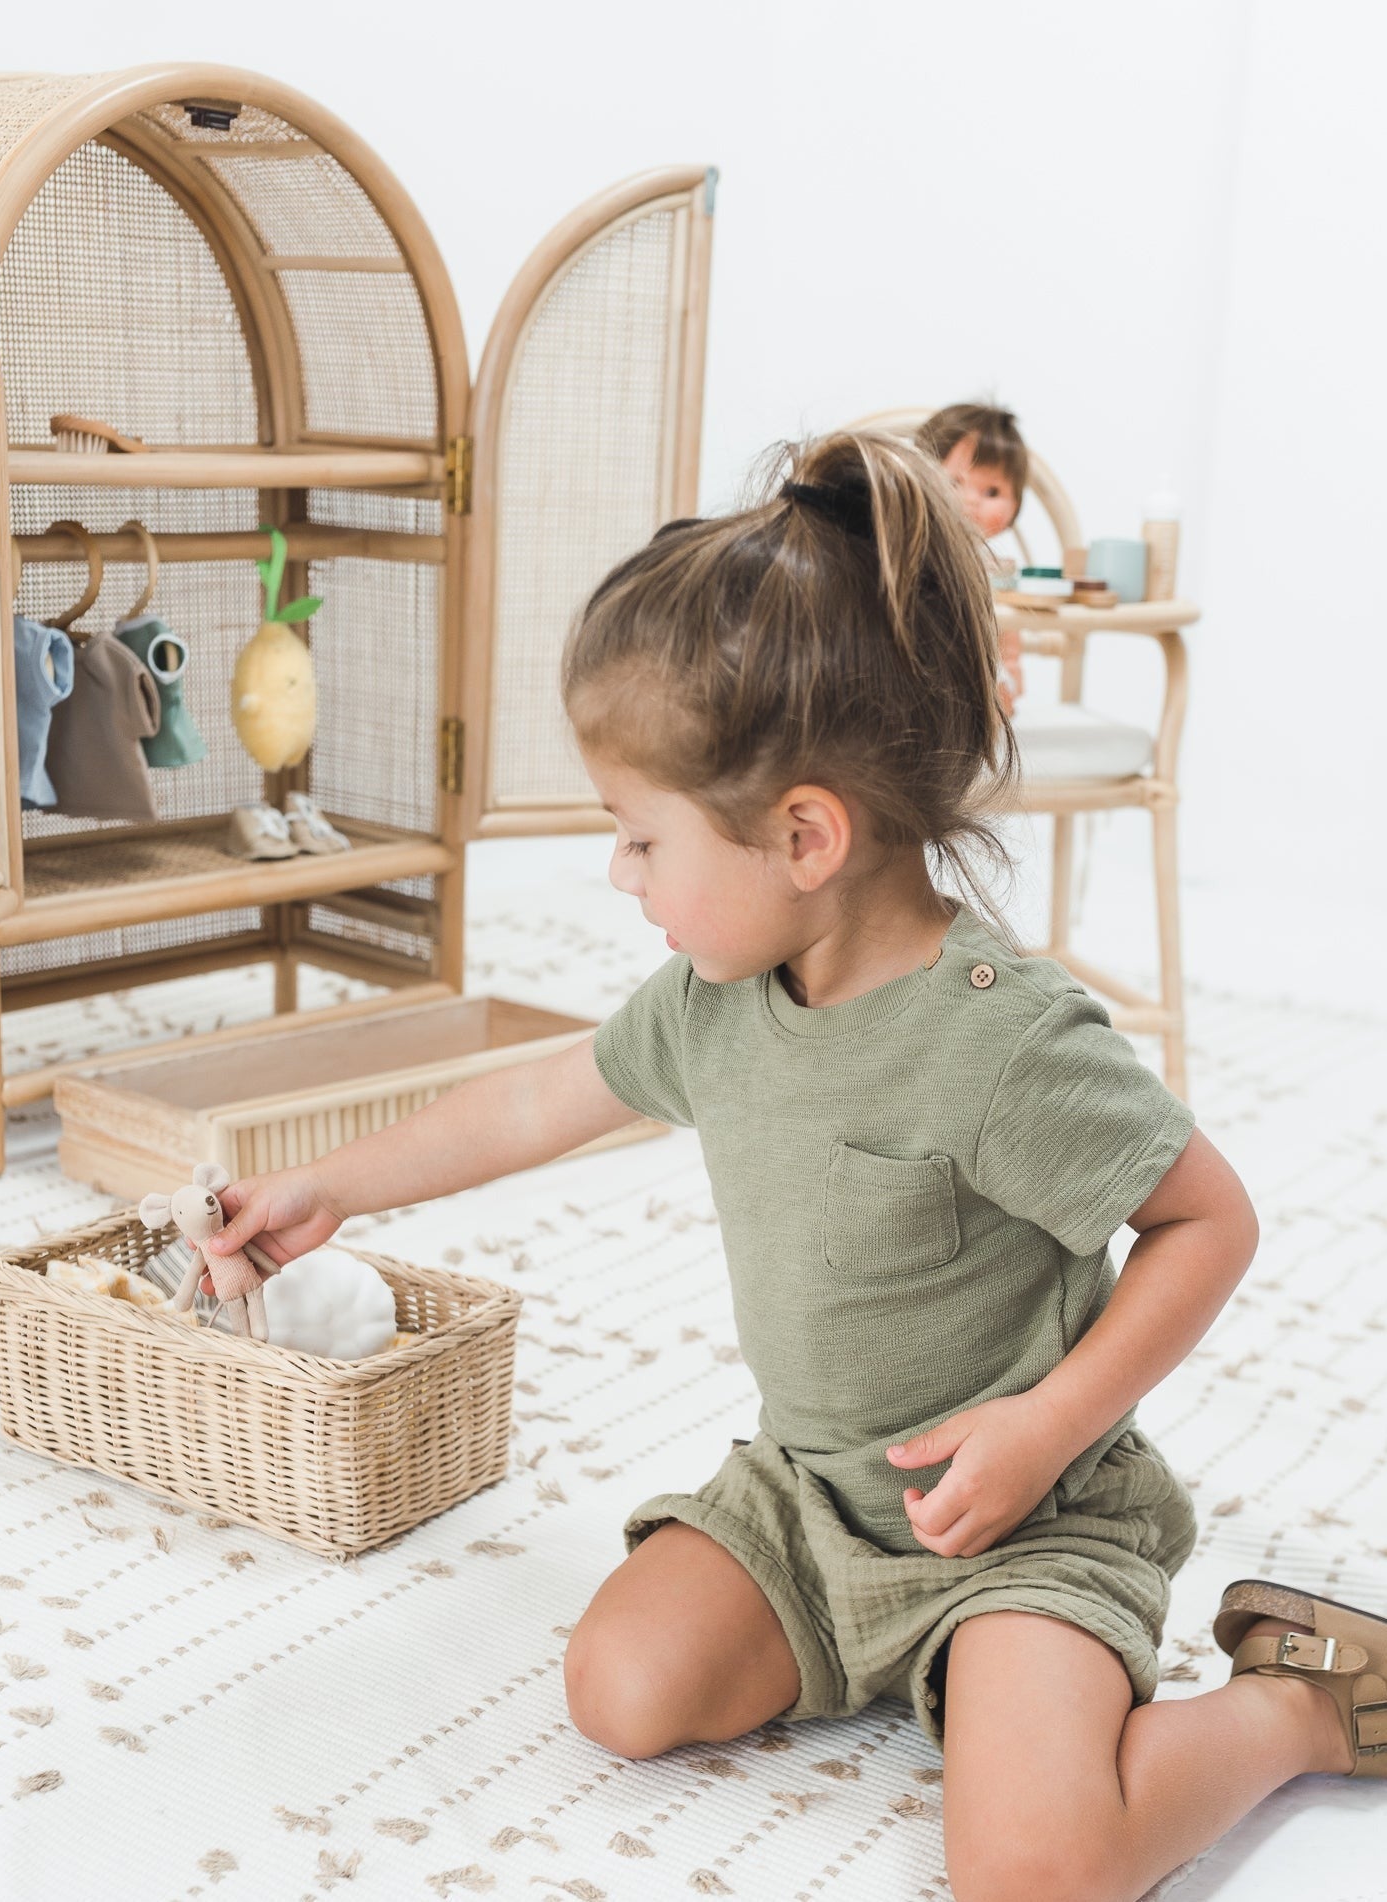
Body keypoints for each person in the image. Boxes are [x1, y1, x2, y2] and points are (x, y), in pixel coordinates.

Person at [203, 431, 1383, 1902]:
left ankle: (1299, 1709)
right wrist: (333, 1188)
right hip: (813, 1501)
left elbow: (1209, 1218)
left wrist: (1043, 1420)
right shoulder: (715, 1002)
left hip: (1026, 1524)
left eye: (639, 838)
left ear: (803, 834)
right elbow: (526, 1105)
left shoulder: (998, 1039)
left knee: (1036, 1874)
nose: (621, 876)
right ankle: (902, 1663)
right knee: (619, 1686)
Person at [917, 401, 1029, 715]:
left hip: (982, 670)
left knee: (997, 698)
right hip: (922, 668)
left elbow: (1009, 620)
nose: (970, 501)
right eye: (954, 482)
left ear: (1015, 505)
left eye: (992, 492)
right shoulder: (914, 553)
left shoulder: (999, 567)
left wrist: (1011, 663)